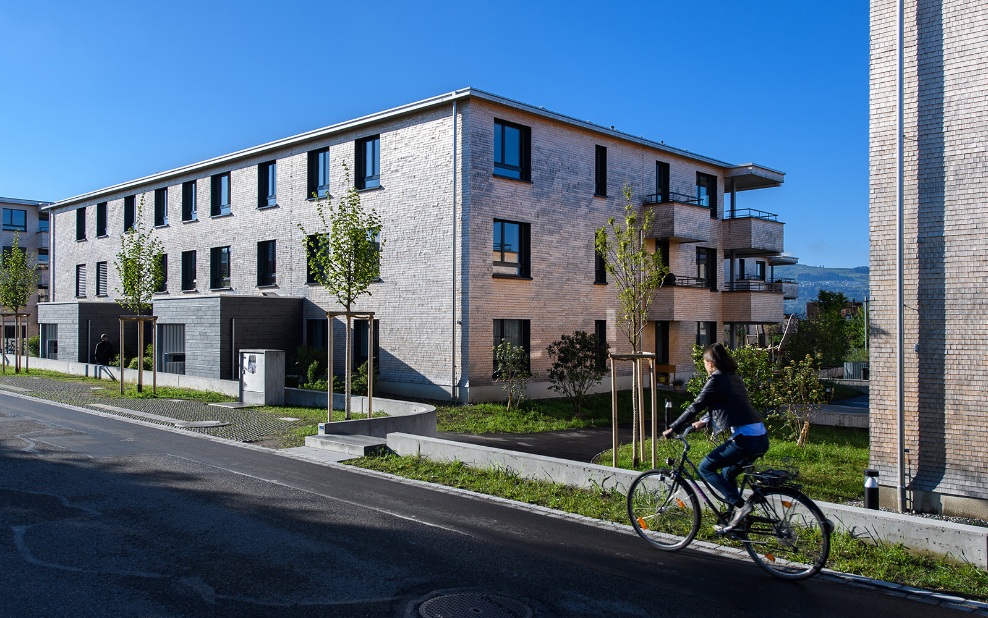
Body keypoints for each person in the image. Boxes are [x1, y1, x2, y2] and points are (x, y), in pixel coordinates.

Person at [663, 342, 769, 532]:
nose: (704, 366)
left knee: (706, 467)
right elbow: (726, 402)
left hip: (746, 439)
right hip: (760, 436)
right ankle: (735, 521)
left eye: (704, 362)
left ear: (711, 363)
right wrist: (705, 421)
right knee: (728, 473)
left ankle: (740, 506)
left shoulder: (716, 379)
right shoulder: (733, 377)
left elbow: (696, 405)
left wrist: (673, 428)